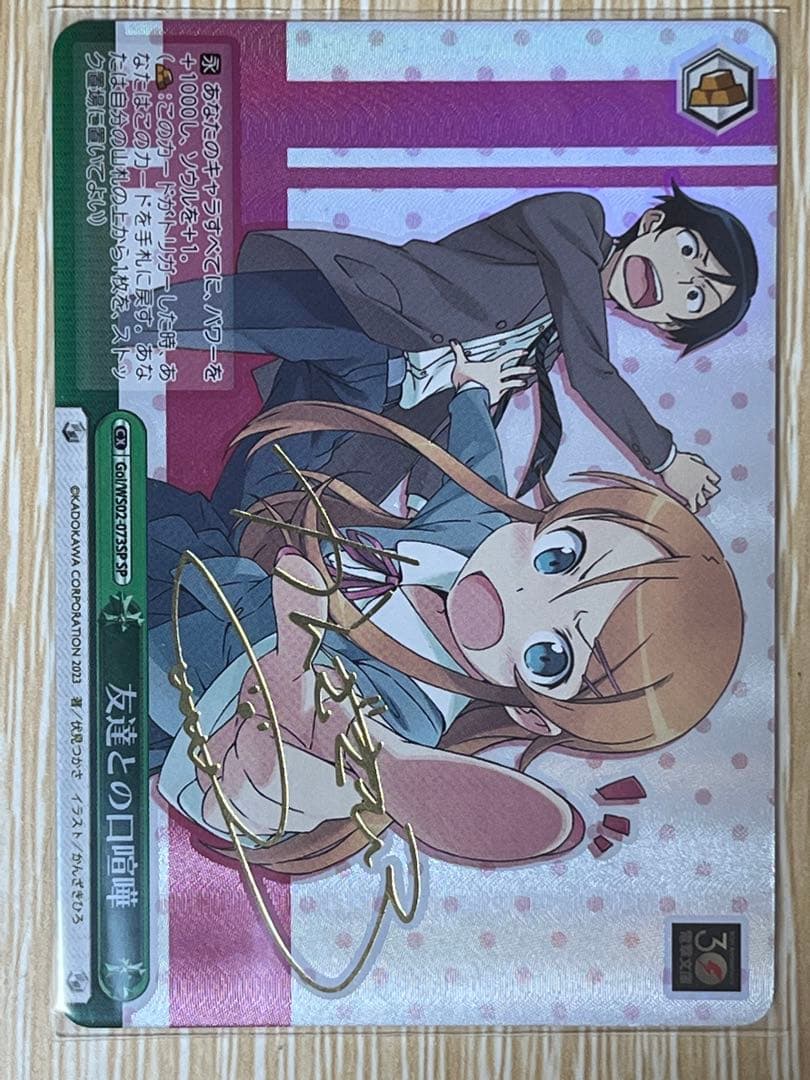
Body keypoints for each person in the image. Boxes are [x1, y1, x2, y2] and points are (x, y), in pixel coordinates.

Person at [148, 342, 744, 873]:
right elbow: (477, 456)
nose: (521, 597)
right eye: (559, 557)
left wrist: (316, 712)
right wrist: (473, 387)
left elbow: (332, 720)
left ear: (537, 716)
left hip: (184, 674)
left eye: (549, 655)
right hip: (202, 558)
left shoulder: (418, 707)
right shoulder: (473, 529)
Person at [152, 182, 758, 517]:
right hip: (367, 314)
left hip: (376, 402)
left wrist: (427, 493)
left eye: (697, 296)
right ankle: (111, 321)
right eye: (688, 252)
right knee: (191, 317)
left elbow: (470, 406)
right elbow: (593, 369)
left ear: (670, 327)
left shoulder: (549, 344)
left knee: (250, 516)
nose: (681, 279)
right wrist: (664, 458)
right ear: (653, 225)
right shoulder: (575, 220)